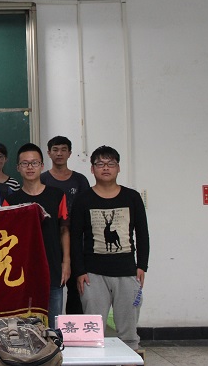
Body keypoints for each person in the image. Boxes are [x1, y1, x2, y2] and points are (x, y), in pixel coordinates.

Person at [70, 145, 149, 352]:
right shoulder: (83, 199)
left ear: (118, 168)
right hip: (93, 274)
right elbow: (75, 238)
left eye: (111, 163)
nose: (105, 168)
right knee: (93, 331)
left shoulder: (132, 197)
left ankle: (129, 358)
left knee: (129, 331)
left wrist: (142, 265)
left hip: (127, 271)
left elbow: (142, 233)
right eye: (100, 164)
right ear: (92, 169)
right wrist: (79, 271)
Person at [5, 143, 69, 328]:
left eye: (34, 163)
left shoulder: (57, 195)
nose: (30, 167)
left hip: (52, 267)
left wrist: (66, 262)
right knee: (23, 327)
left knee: (53, 326)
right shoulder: (11, 201)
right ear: (18, 168)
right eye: (25, 163)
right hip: (21, 272)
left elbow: (64, 230)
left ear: (42, 165)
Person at [40, 135, 91, 315]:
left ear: (70, 153)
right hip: (52, 242)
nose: (59, 153)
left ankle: (71, 328)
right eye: (55, 150)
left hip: (77, 242)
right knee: (51, 290)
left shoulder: (80, 180)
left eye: (63, 150)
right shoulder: (42, 179)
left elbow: (87, 210)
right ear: (48, 153)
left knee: (77, 290)